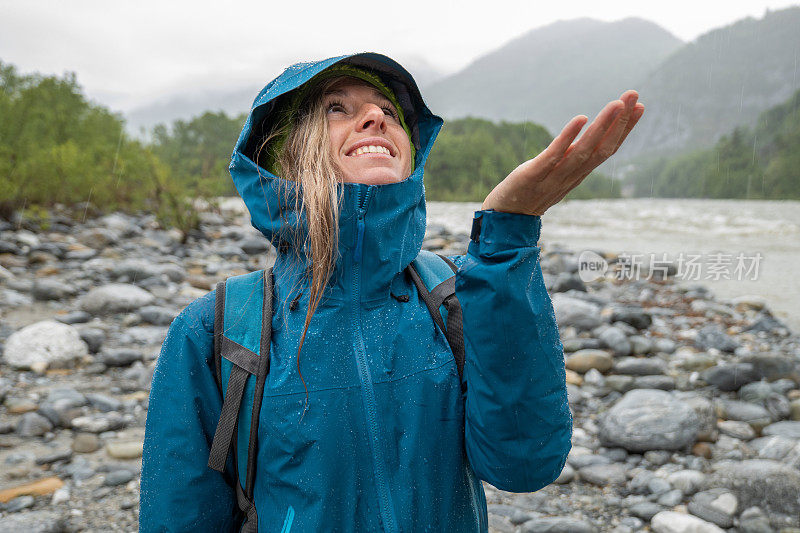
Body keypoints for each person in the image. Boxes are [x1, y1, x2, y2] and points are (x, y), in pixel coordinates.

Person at [139, 52, 644, 532]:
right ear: (284, 155)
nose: (376, 119)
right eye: (338, 109)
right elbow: (180, 518)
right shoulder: (218, 330)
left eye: (388, 112)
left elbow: (524, 463)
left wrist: (507, 237)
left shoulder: (458, 292)